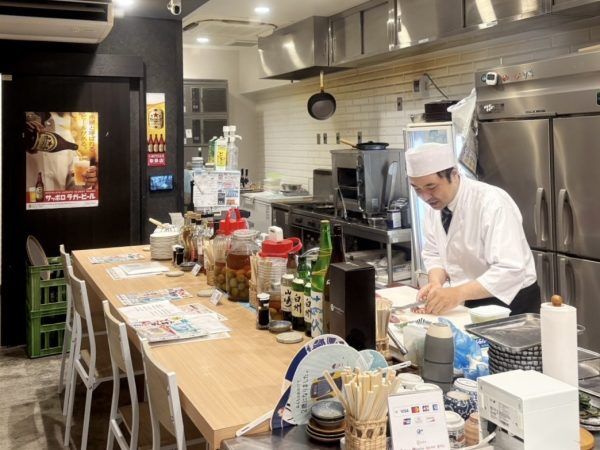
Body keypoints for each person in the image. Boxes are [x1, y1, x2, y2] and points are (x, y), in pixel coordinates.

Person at [406, 142, 540, 316]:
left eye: (431, 187)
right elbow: (434, 253)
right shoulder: (435, 205)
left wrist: (456, 294)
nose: (425, 197)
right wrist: (436, 283)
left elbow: (510, 269)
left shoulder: (492, 202)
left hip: (512, 303)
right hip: (469, 299)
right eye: (417, 189)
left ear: (454, 174)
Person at [25, 112, 97, 191]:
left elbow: (71, 186)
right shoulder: (24, 129)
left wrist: (85, 183)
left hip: (57, 198)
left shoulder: (65, 133)